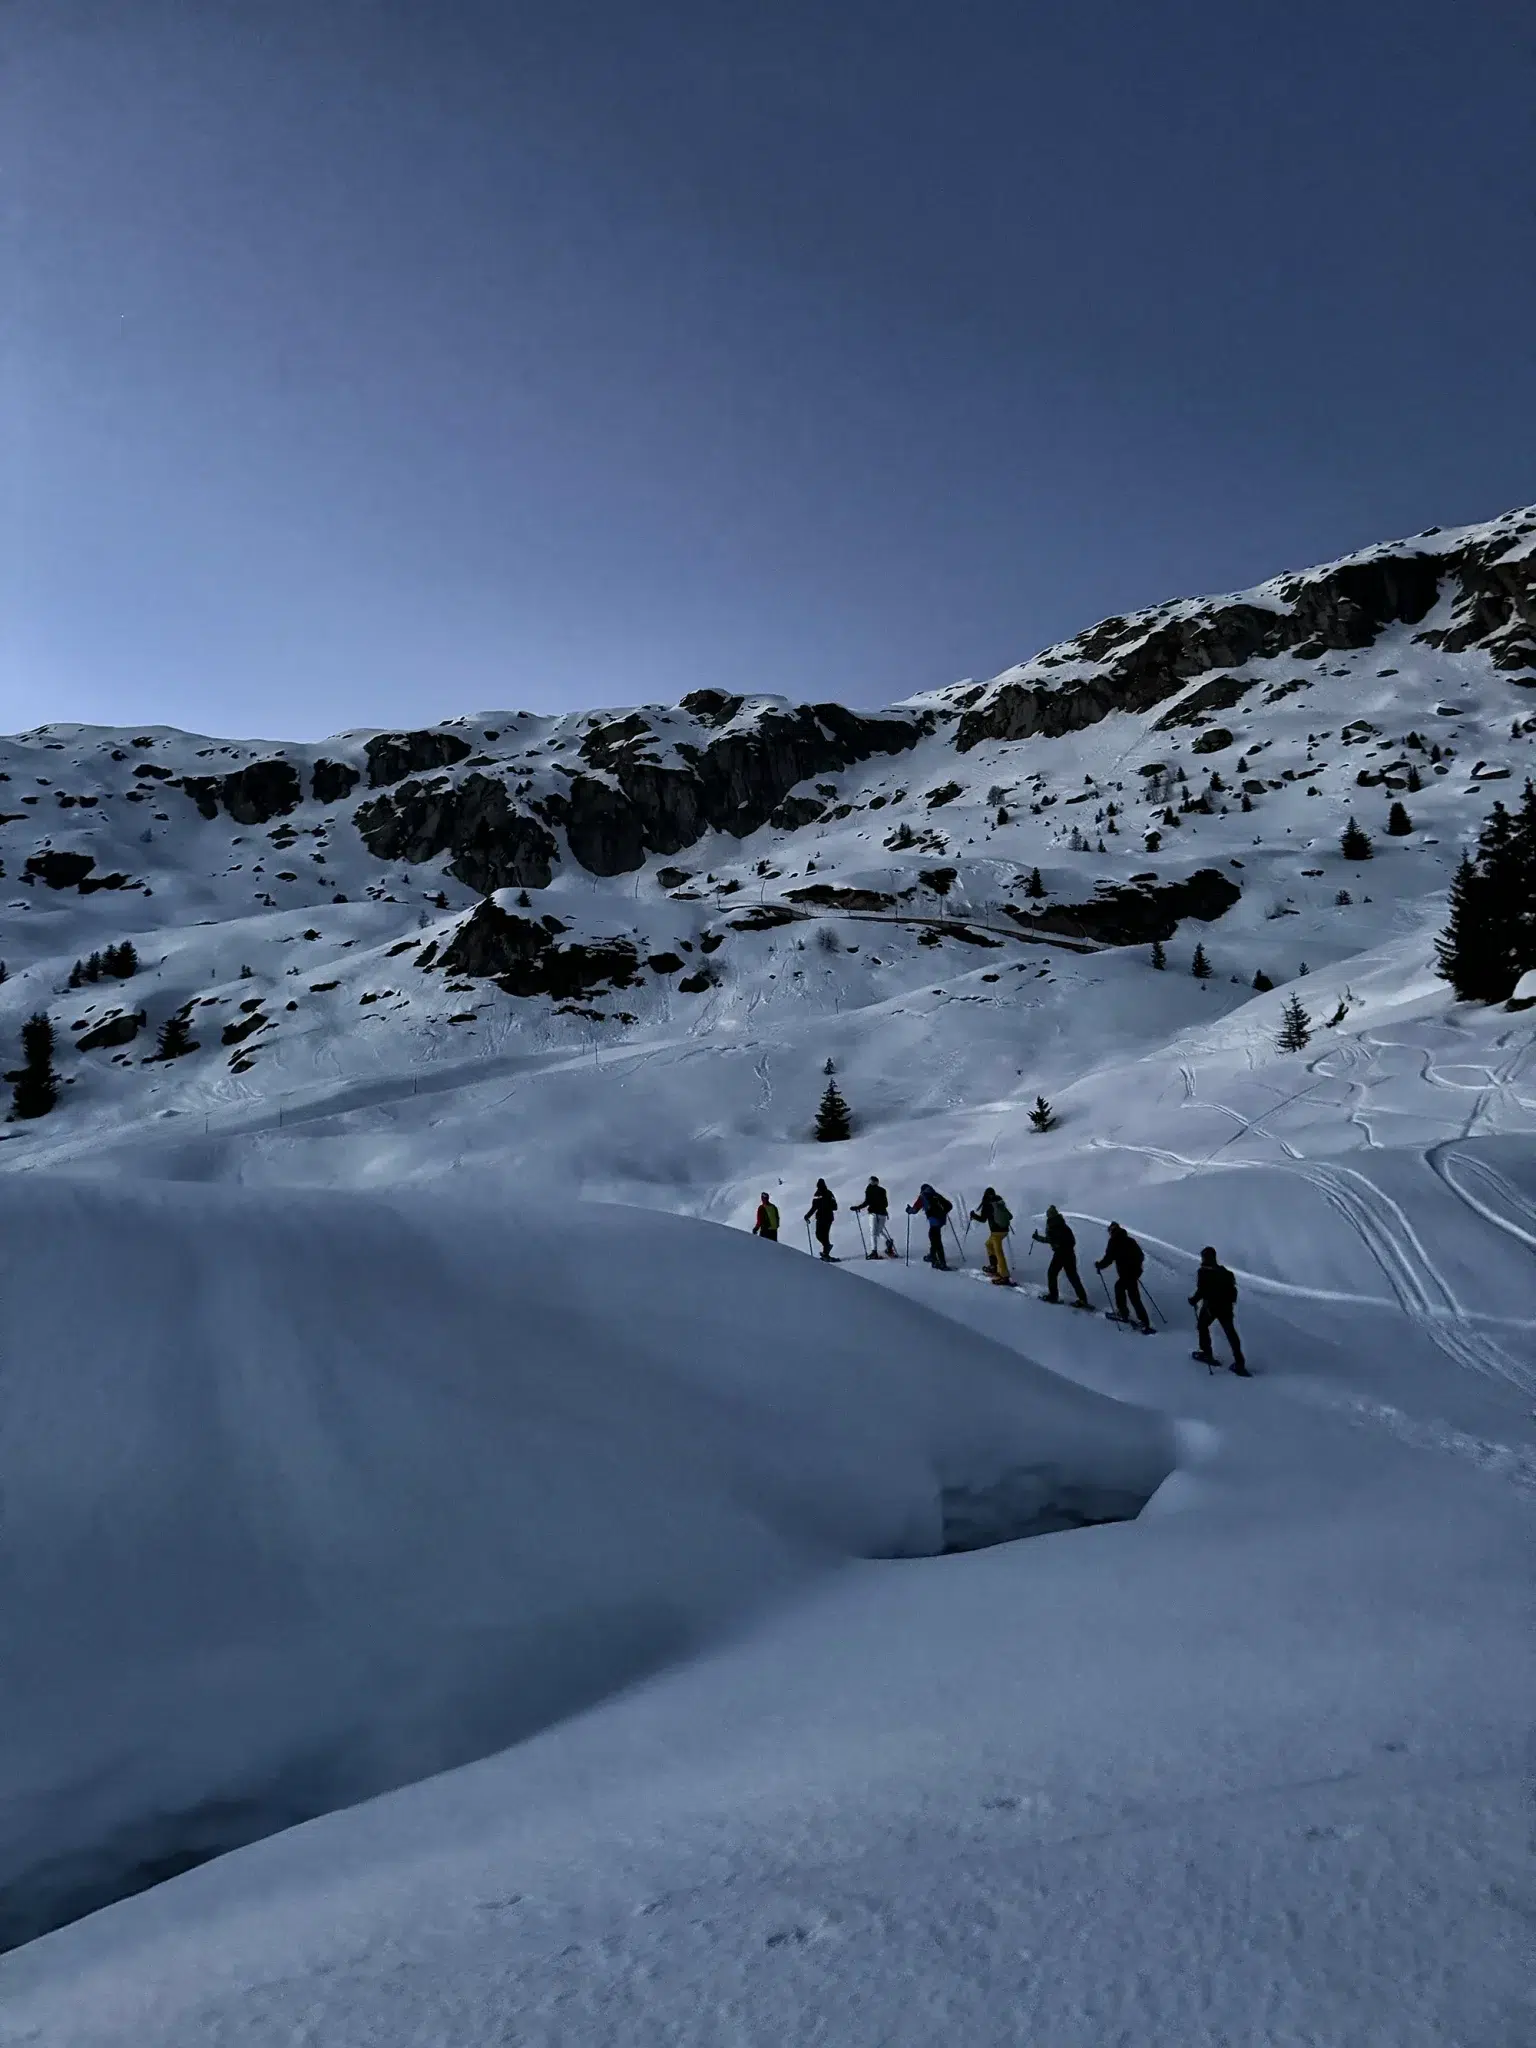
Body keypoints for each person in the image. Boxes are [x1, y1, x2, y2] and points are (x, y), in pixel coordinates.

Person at [1190, 1246, 1249, 1373]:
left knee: (1202, 1326)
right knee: (1230, 1333)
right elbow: (1232, 1291)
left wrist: (1193, 1300)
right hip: (1226, 1308)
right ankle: (1239, 1362)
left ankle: (1207, 1353)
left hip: (1211, 1307)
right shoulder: (1225, 1272)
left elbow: (1201, 1290)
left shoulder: (1203, 1272)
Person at [1095, 1221, 1151, 1331]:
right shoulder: (1130, 1241)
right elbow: (1141, 1256)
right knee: (1133, 1295)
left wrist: (1099, 1266)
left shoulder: (1114, 1242)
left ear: (1112, 1231)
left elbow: (1109, 1258)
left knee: (1120, 1288)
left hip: (1127, 1273)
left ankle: (1123, 1313)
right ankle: (1143, 1321)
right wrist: (1137, 1268)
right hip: (1134, 1273)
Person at [1031, 1204, 1090, 1307]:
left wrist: (1037, 1238)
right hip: (1070, 1253)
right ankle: (1083, 1299)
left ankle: (1053, 1296)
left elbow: (1050, 1240)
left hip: (1060, 1254)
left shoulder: (1053, 1225)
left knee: (1052, 1273)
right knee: (1073, 1276)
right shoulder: (1063, 1225)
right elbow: (1072, 1241)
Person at [970, 1187, 1014, 1285]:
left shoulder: (987, 1204)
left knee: (999, 1252)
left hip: (996, 1232)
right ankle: (994, 1266)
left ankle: (1004, 1276)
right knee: (988, 1244)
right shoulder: (999, 1202)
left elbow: (982, 1219)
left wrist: (973, 1216)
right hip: (1004, 1231)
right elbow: (1010, 1216)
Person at [907, 1184, 952, 1269]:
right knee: (934, 1237)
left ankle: (941, 1262)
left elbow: (914, 1210)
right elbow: (949, 1206)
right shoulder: (936, 1195)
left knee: (935, 1240)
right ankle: (932, 1255)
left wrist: (908, 1210)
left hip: (934, 1221)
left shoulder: (923, 1197)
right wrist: (943, 1212)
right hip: (941, 1220)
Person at [852, 1175, 898, 1259]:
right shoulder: (882, 1190)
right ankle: (889, 1242)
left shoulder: (869, 1190)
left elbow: (867, 1202)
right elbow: (886, 1204)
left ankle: (874, 1252)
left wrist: (858, 1207)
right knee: (879, 1231)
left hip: (874, 1213)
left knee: (873, 1233)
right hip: (883, 1213)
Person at [805, 1178, 837, 1260]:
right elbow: (814, 1207)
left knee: (823, 1235)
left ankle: (826, 1252)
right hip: (822, 1217)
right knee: (819, 1234)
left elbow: (835, 1206)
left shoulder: (828, 1194)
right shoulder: (820, 1194)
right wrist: (807, 1216)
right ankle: (827, 1248)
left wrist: (808, 1216)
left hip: (827, 1217)